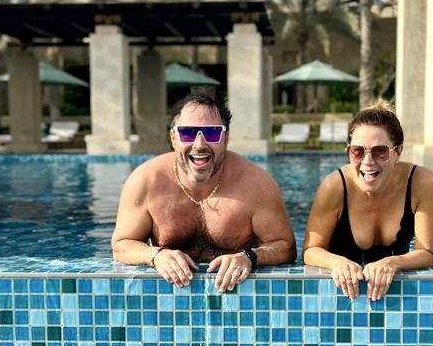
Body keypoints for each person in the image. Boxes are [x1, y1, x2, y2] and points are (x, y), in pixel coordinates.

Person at [112, 93, 296, 290]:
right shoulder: (145, 181)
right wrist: (156, 255)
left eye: (212, 133)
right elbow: (122, 244)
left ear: (226, 139)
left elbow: (286, 247)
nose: (199, 145)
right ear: (173, 138)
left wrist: (249, 257)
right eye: (188, 133)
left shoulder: (257, 185)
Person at [302, 106, 433, 300]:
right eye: (357, 151)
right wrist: (337, 263)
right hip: (341, 297)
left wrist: (393, 263)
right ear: (348, 151)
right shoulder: (334, 186)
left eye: (380, 152)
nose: (367, 161)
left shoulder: (422, 183)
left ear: (398, 152)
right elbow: (310, 250)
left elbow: (428, 252)